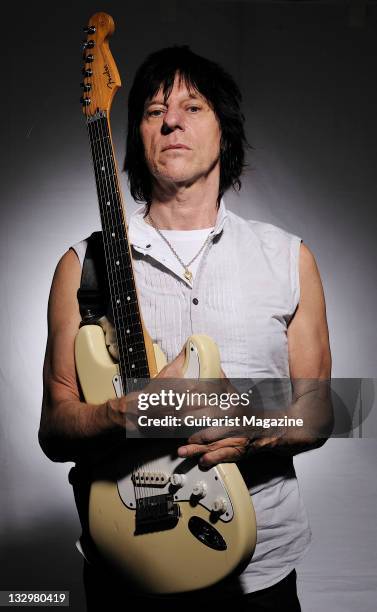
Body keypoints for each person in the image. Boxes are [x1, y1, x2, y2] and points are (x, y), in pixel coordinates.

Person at [39, 46, 332, 609]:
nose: (171, 120)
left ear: (226, 129)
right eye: (152, 111)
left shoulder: (288, 258)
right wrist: (122, 412)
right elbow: (54, 428)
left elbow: (322, 409)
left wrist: (252, 428)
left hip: (259, 565)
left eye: (192, 106)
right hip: (127, 559)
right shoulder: (83, 265)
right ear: (136, 136)